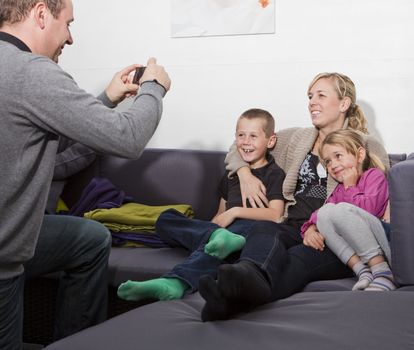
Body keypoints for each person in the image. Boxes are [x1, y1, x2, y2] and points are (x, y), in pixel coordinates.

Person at [0, 0, 171, 348]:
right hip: (3, 257)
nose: (71, 38)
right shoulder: (31, 71)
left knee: (89, 239)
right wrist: (154, 87)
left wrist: (107, 99)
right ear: (41, 13)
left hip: (11, 239)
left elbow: (43, 145)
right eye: (69, 24)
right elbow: (128, 138)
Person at [198, 72, 390, 321]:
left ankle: (227, 301)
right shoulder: (298, 138)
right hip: (295, 225)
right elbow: (240, 146)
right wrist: (245, 173)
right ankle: (244, 274)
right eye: (310, 96)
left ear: (343, 104)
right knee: (264, 231)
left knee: (293, 261)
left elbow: (385, 194)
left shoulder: (363, 143)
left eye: (321, 95)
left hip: (333, 236)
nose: (312, 101)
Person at [117, 108, 286, 302]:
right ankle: (217, 239)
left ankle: (173, 283)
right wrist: (212, 229)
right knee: (166, 218)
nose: (246, 141)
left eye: (253, 136)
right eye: (241, 135)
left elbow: (276, 215)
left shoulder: (274, 174)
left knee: (217, 246)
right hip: (223, 233)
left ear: (270, 141)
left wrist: (235, 212)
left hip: (248, 232)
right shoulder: (231, 176)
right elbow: (220, 214)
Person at [305, 129, 395, 291]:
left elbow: (370, 210)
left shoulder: (374, 176)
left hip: (384, 241)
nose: (332, 165)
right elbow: (319, 214)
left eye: (338, 156)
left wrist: (350, 187)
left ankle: (383, 272)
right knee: (325, 213)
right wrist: (310, 229)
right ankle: (362, 270)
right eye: (328, 162)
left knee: (339, 209)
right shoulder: (339, 190)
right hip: (362, 253)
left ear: (360, 155)